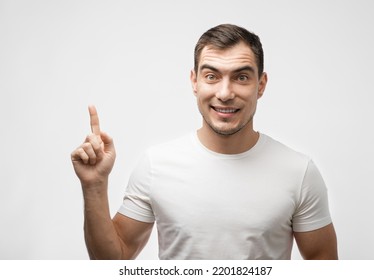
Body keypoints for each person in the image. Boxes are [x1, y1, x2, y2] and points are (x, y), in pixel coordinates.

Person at [71, 24, 338, 260]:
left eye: (241, 77)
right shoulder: (156, 165)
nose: (225, 93)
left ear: (261, 85)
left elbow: (323, 265)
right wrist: (94, 186)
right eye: (212, 76)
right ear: (194, 81)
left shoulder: (298, 171)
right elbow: (113, 261)